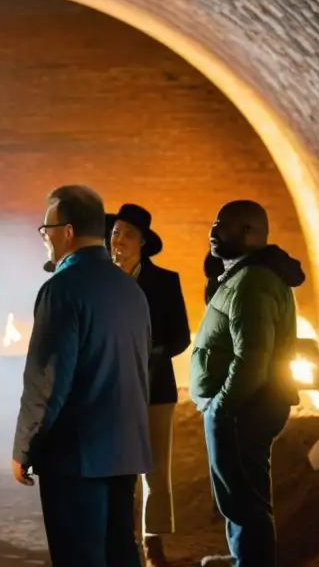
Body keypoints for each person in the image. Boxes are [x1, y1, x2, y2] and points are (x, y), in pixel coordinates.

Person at [12, 185, 152, 567]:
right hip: (125, 449)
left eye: (47, 229)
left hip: (77, 455)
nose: (45, 238)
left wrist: (25, 446)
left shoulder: (61, 290)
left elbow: (48, 380)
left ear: (67, 231)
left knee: (80, 557)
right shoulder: (131, 290)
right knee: (121, 553)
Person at [190, 200, 303, 567]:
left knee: (245, 502)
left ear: (250, 232)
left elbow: (252, 356)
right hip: (242, 408)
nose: (212, 231)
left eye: (222, 224)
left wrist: (221, 407)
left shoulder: (252, 282)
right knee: (241, 499)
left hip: (242, 410)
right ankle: (244, 557)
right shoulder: (242, 276)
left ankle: (251, 560)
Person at [108, 204, 191, 567]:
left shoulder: (165, 281)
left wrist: (154, 354)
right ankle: (123, 542)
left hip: (156, 388)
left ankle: (153, 541)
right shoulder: (103, 281)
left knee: (156, 469)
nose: (119, 240)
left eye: (127, 234)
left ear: (143, 242)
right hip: (113, 391)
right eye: (115, 233)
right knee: (121, 469)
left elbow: (182, 336)